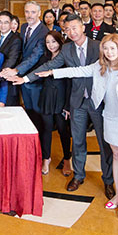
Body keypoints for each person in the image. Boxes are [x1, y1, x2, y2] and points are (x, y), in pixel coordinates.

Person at [37, 33, 118, 221]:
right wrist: (52, 72)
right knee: (117, 156)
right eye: (105, 49)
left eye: (112, 48)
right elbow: (77, 71)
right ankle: (117, 195)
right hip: (111, 118)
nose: (109, 52)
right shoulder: (100, 66)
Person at [14, 14, 114, 197]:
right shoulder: (67, 49)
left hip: (98, 101)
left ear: (83, 27)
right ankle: (78, 175)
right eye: (68, 29)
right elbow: (51, 65)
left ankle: (108, 180)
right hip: (77, 101)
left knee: (103, 142)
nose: (72, 32)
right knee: (78, 140)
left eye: (75, 28)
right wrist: (26, 78)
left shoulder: (98, 46)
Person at [32, 31, 72, 176]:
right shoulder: (45, 57)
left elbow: (70, 83)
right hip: (47, 97)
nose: (51, 45)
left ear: (60, 41)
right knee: (46, 129)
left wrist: (68, 105)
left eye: (53, 41)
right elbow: (36, 74)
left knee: (63, 130)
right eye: (48, 42)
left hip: (61, 97)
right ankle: (46, 158)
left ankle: (67, 159)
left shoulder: (66, 57)